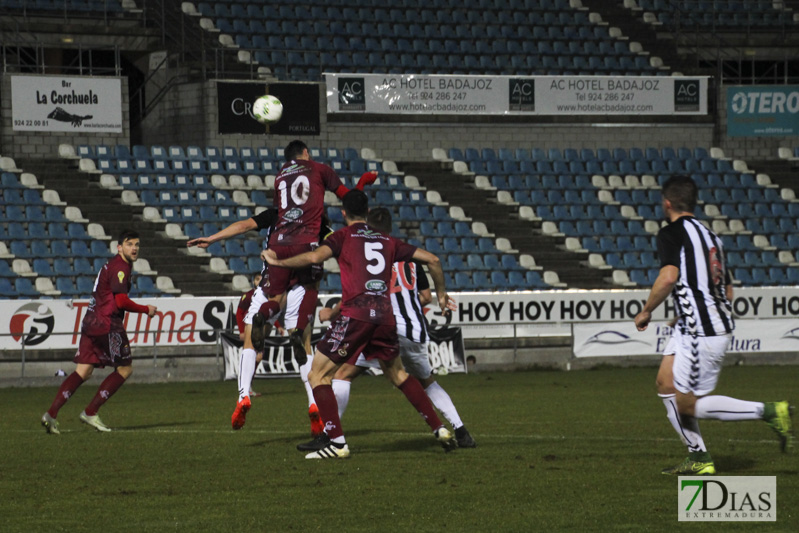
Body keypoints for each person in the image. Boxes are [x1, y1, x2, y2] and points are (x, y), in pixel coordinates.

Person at [265, 190, 457, 459]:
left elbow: (313, 258)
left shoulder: (342, 237)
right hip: (385, 316)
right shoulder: (387, 239)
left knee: (317, 375)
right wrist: (441, 294)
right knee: (399, 375)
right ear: (367, 213)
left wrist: (278, 261)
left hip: (356, 314)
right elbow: (433, 260)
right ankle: (439, 429)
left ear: (343, 214)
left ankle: (337, 442)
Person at [633, 175, 793, 475]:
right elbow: (725, 289)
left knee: (688, 405)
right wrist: (690, 312)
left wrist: (646, 311)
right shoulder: (712, 238)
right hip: (694, 326)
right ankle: (698, 456)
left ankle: (770, 411)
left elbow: (668, 277)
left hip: (700, 332)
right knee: (665, 384)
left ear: (667, 203)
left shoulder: (671, 233)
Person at [323, 207, 476, 448]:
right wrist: (440, 296)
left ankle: (330, 437)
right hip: (413, 329)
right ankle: (461, 431)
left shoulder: (365, 253)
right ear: (391, 227)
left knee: (342, 374)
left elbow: (359, 295)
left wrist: (330, 313)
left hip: (380, 326)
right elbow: (425, 296)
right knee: (427, 381)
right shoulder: (411, 258)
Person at [187, 207, 324, 435]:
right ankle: (313, 403)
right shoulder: (313, 215)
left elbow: (243, 226)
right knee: (305, 344)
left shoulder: (277, 212)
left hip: (271, 278)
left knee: (250, 343)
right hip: (300, 283)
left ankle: (243, 397)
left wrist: (212, 238)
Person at [41, 230, 157, 434]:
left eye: (137, 244)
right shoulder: (120, 268)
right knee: (124, 369)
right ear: (119, 247)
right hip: (107, 325)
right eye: (129, 244)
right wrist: (145, 309)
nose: (134, 248)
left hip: (91, 322)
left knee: (83, 371)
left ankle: (51, 414)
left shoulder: (112, 264)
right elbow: (120, 301)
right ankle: (91, 411)